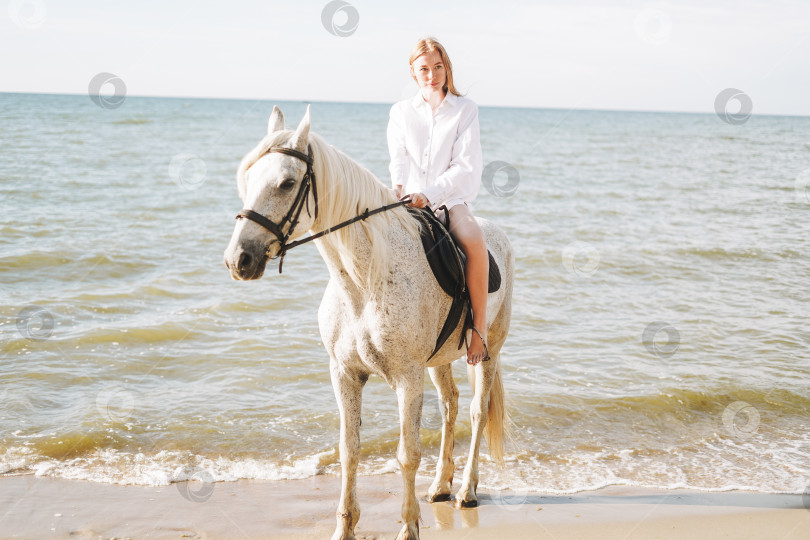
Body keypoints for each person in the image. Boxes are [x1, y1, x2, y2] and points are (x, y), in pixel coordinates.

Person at [387, 37, 490, 366]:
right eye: (424, 69)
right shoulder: (401, 112)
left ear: (446, 68)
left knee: (475, 241)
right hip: (408, 200)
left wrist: (428, 194)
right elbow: (398, 157)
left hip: (449, 200)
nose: (431, 75)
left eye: (437, 67)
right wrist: (398, 187)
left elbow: (464, 166)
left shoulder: (465, 110)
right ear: (413, 73)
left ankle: (479, 329)